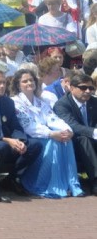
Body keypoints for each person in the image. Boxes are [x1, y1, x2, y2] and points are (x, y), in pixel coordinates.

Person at [9, 68, 83, 198]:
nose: (29, 83)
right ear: (18, 85)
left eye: (31, 80)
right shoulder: (15, 102)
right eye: (25, 81)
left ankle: (68, 184)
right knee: (53, 142)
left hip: (46, 134)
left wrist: (67, 130)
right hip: (29, 137)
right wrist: (51, 134)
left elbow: (52, 118)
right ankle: (49, 185)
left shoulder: (40, 102)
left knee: (66, 140)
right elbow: (29, 126)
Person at [54, 71, 97, 195]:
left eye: (91, 88)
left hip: (93, 140)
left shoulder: (94, 102)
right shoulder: (62, 104)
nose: (88, 91)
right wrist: (94, 132)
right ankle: (95, 181)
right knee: (84, 138)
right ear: (72, 88)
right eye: (83, 87)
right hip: (72, 144)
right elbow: (72, 125)